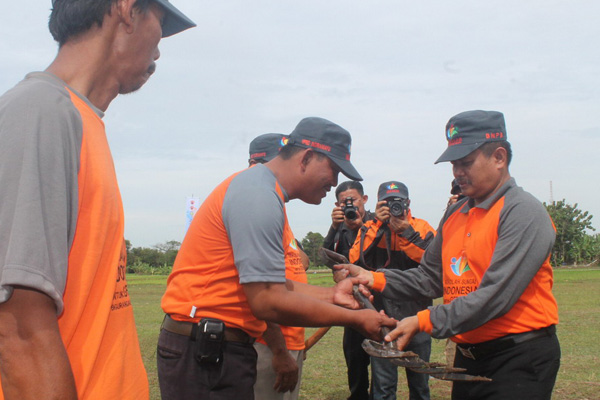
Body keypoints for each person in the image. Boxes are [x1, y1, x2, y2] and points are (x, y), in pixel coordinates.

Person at [0, 1, 195, 399]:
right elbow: (17, 329)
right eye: (160, 24)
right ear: (126, 9)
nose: (159, 49)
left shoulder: (81, 120)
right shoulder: (42, 111)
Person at [157, 117, 396, 400]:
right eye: (333, 169)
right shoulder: (258, 194)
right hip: (204, 350)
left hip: (217, 347)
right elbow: (267, 300)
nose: (334, 182)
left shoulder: (265, 193)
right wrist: (355, 319)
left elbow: (275, 284)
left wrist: (332, 294)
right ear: (306, 157)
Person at [337, 110, 560, 400]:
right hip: (469, 356)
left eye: (466, 162)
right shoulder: (456, 213)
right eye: (454, 163)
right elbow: (430, 278)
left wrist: (423, 320)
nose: (457, 171)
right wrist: (373, 278)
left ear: (499, 158)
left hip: (518, 357)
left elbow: (495, 296)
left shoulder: (522, 212)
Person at [349, 181, 435, 400]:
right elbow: (355, 260)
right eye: (387, 202)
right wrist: (377, 224)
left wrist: (407, 234)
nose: (394, 207)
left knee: (420, 383)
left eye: (398, 202)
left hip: (418, 317)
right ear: (379, 204)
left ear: (408, 202)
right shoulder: (370, 227)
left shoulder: (422, 227)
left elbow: (435, 263)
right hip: (382, 317)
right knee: (384, 386)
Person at [248, 133, 309, 400]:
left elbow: (297, 259)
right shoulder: (252, 202)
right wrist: (280, 351)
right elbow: (259, 290)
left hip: (290, 339)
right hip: (268, 344)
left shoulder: (277, 207)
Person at [322, 180, 374, 400]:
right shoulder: (340, 227)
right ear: (337, 205)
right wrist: (334, 226)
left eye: (354, 200)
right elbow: (325, 256)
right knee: (354, 359)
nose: (351, 206)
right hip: (353, 305)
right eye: (345, 203)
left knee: (381, 361)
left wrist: (362, 227)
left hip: (377, 300)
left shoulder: (377, 223)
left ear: (364, 199)